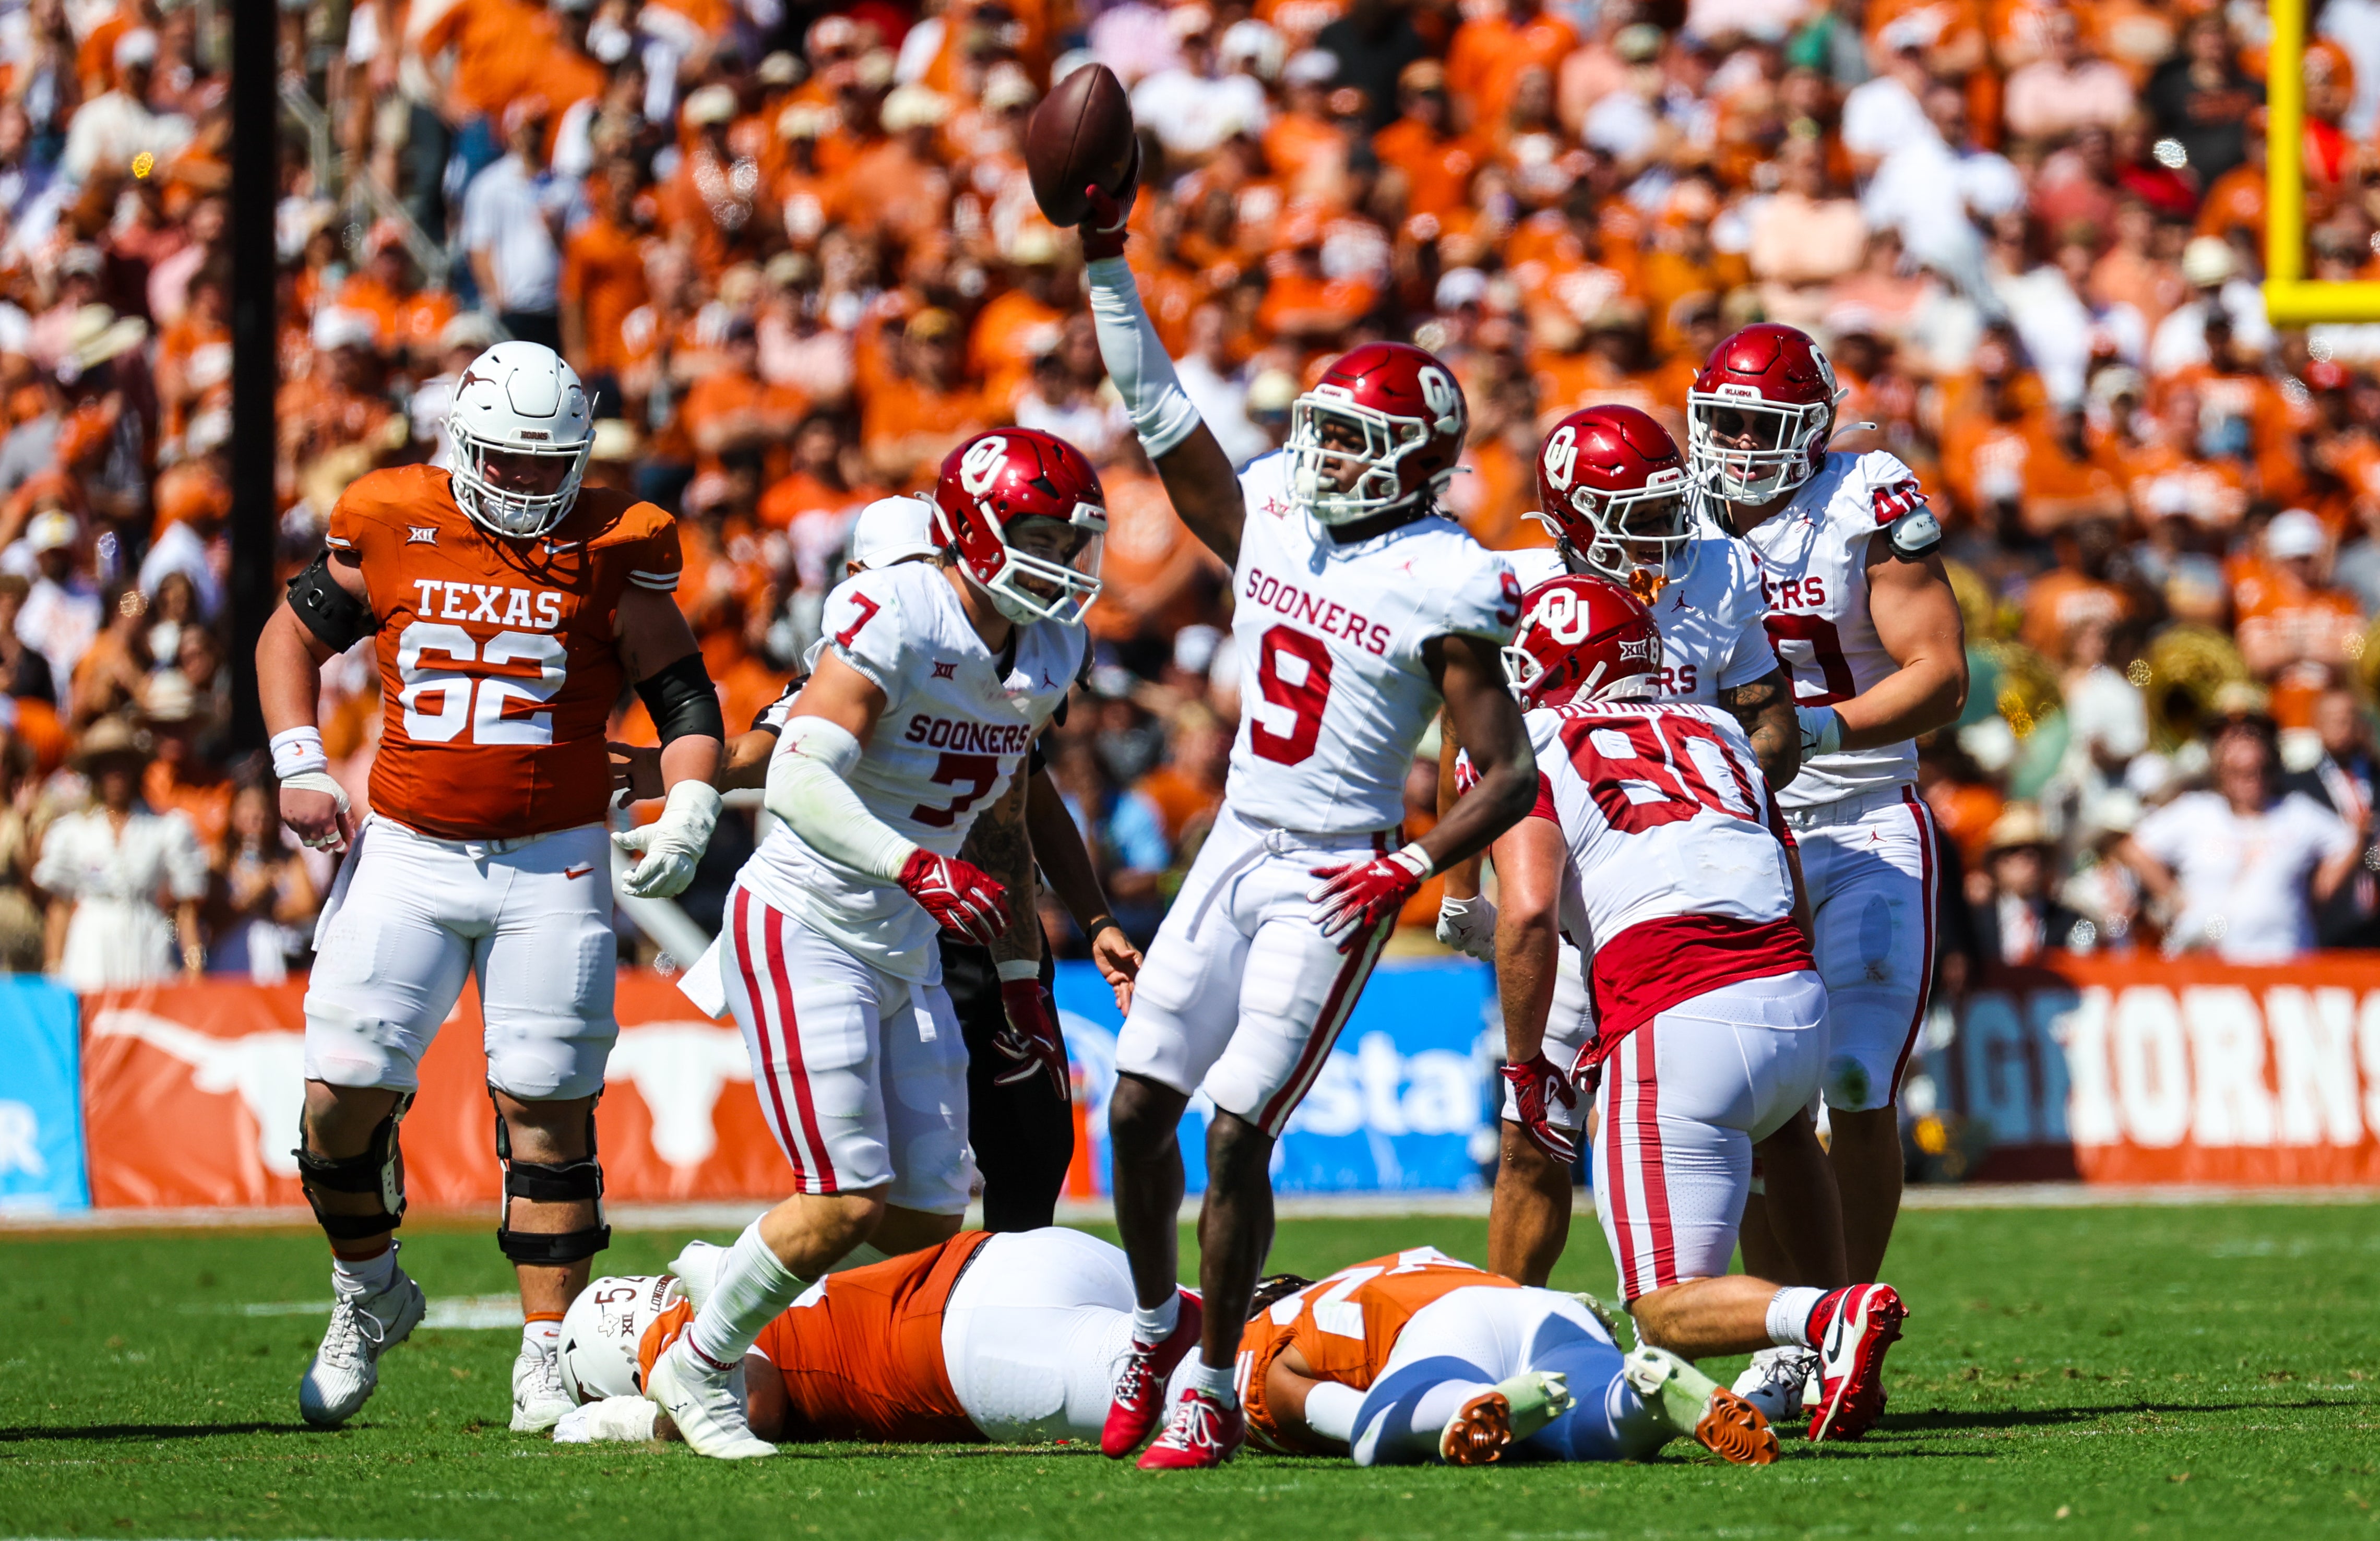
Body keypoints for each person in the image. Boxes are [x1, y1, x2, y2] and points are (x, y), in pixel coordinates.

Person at [1079, 163, 1540, 1470]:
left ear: (1414, 460)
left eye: (1349, 438)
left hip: (1332, 869)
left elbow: (1503, 771)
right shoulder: (1276, 508)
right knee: (1131, 1105)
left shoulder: (1449, 576)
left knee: (1234, 1125)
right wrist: (1108, 265)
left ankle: (1213, 1384)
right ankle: (1154, 1323)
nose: (1321, 452)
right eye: (1319, 429)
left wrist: (1406, 864)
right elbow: (1156, 405)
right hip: (1233, 840)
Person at [254, 340, 725, 1434]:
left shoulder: (618, 540)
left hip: (553, 856)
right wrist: (296, 761)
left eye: (546, 462)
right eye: (505, 461)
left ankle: (546, 1354)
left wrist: (690, 807)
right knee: (338, 1099)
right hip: (410, 850)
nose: (525, 483)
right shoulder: (389, 515)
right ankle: (368, 1292)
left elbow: (686, 700)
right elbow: (291, 633)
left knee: (548, 1109)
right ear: (462, 446)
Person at [644, 429, 1103, 1461]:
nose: (1064, 562)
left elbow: (1015, 805)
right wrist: (917, 866)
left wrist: (1036, 954)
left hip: (905, 938)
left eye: (1073, 540)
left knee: (927, 1218)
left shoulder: (1052, 645)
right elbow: (799, 779)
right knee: (846, 1192)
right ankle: (700, 1365)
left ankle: (734, 1279)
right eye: (1040, 535)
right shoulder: (896, 610)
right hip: (810, 917)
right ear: (975, 532)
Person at [622, 494, 1144, 1233]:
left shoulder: (1012, 656)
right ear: (865, 584)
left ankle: (953, 1329)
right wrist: (674, 776)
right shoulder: (866, 657)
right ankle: (751, 1318)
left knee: (1006, 1171)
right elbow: (775, 759)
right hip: (884, 923)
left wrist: (1080, 923)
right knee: (862, 1189)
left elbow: (1024, 795)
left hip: (979, 930)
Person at [1487, 573, 1906, 1442]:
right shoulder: (1718, 726)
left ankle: (1828, 1321)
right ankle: (1835, 1343)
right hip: (1792, 988)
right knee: (1786, 1135)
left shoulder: (1533, 740)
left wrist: (1527, 1062)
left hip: (1675, 1006)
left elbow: (1528, 911)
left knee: (1664, 1308)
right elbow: (1785, 877)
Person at [1429, 405, 1797, 1288]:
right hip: (1568, 893)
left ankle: (1790, 1340)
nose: (1668, 534)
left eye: (1672, 509)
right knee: (1532, 1136)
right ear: (1571, 521)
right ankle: (1513, 1327)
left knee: (1750, 1138)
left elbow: (1769, 720)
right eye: (1638, 515)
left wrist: (1723, 792)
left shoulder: (1721, 571)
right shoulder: (1503, 590)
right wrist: (1456, 891)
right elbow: (1464, 743)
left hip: (1685, 887)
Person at [1690, 322, 1966, 1418]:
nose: (1746, 447)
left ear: (1813, 429)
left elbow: (1940, 675)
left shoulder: (1867, 497)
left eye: (1768, 427)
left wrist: (1818, 730)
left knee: (1857, 1081)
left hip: (1859, 815)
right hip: (1734, 830)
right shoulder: (1673, 510)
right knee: (1763, 1093)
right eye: (1730, 425)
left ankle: (1849, 1323)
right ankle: (1798, 1333)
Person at [546, 1233, 1770, 1469]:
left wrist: (593, 1415)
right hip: (1017, 1259)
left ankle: (1386, 1405)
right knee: (1223, 1332)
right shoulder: (730, 1262)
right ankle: (1616, 1393)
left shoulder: (682, 1328)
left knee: (1230, 1386)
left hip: (965, 1345)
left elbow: (718, 1379)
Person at [2117, 716, 2363, 962]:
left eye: (2258, 770)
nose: (2251, 780)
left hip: (2283, 957)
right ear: (2221, 772)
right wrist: (2174, 897)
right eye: (2240, 772)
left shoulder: (2297, 813)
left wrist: (2315, 897)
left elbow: (2349, 842)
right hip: (2207, 961)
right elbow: (2134, 849)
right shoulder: (2196, 812)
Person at [33, 714, 208, 988]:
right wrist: (54, 972)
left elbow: (186, 909)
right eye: (107, 767)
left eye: (122, 766)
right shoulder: (74, 832)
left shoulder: (165, 828)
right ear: (95, 774)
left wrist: (194, 971)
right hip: (91, 950)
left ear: (136, 770)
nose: (116, 775)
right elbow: (60, 909)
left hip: (147, 944)